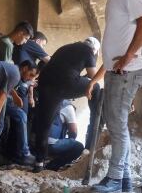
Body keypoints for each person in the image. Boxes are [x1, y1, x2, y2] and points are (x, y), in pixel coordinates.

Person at [84, 0, 142, 193]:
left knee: (117, 125)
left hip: (127, 71)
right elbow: (116, 40)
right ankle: (124, 181)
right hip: (117, 70)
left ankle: (114, 179)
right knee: (115, 124)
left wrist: (128, 55)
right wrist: (102, 73)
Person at [32, 37, 102, 173]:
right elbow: (93, 76)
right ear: (95, 50)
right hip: (66, 84)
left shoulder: (66, 47)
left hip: (46, 84)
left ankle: (39, 162)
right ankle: (95, 120)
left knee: (45, 124)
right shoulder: (89, 51)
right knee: (96, 86)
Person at [46, 100, 84, 170]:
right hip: (49, 145)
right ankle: (53, 165)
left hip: (35, 142)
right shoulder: (67, 106)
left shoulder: (47, 98)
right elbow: (74, 132)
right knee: (78, 147)